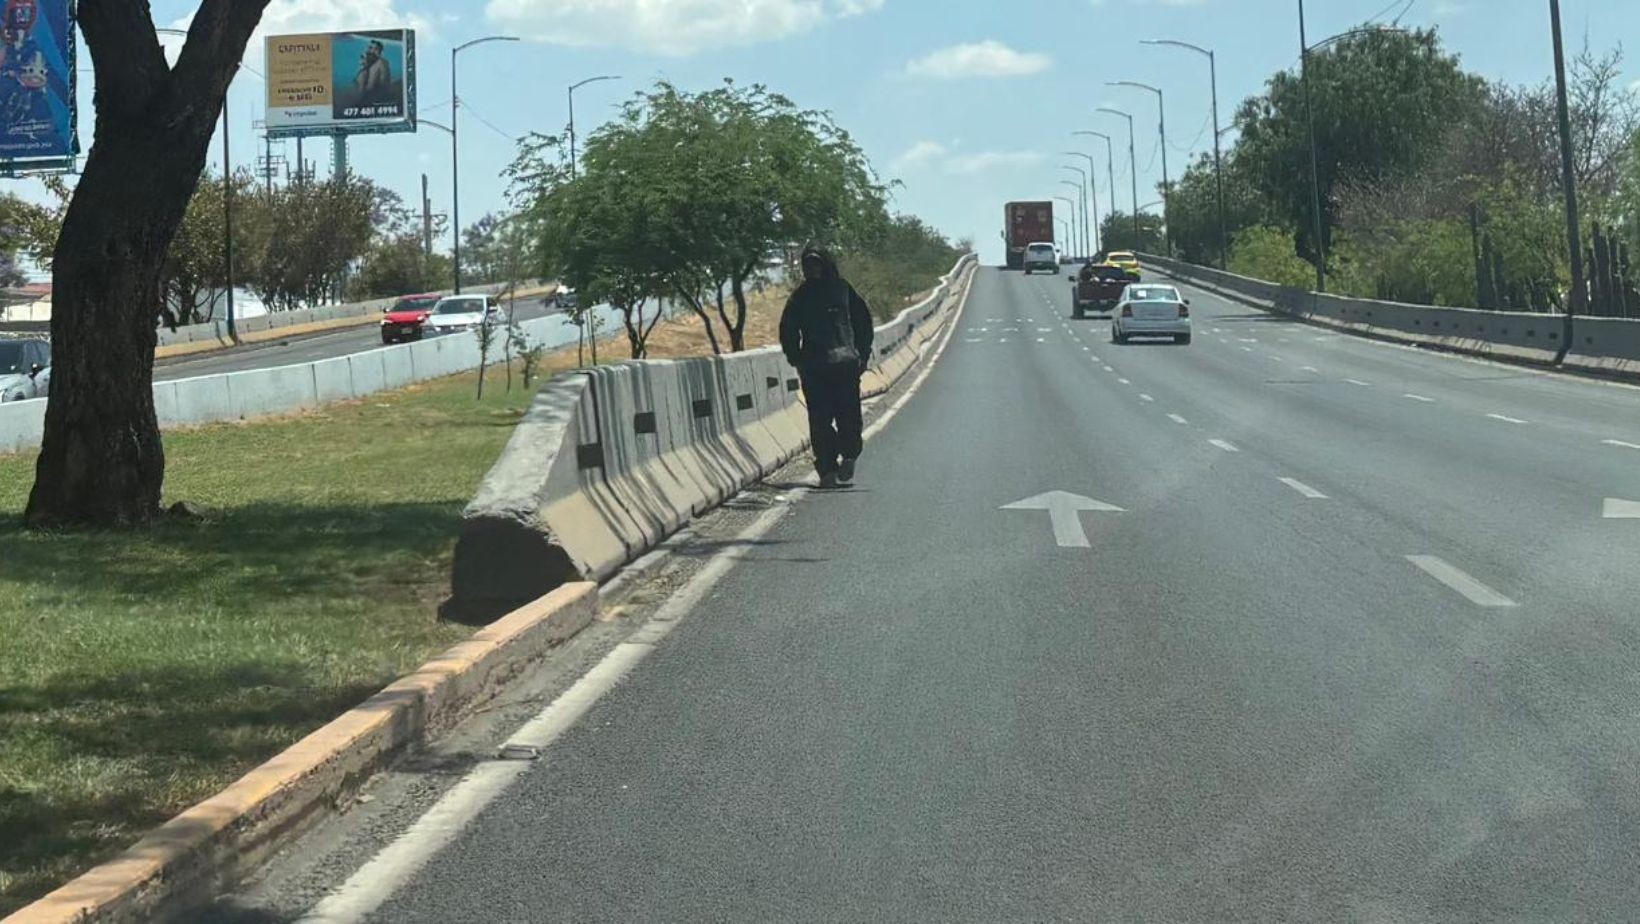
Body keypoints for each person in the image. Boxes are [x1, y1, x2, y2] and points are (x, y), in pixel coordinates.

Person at [779, 247, 874, 488]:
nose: (812, 269)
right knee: (823, 420)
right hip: (819, 366)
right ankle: (829, 468)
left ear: (825, 265)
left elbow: (862, 323)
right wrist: (796, 358)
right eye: (808, 265)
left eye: (816, 264)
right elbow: (788, 330)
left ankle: (847, 456)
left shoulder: (839, 290)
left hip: (838, 365)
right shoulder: (805, 295)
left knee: (846, 416)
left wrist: (862, 353)